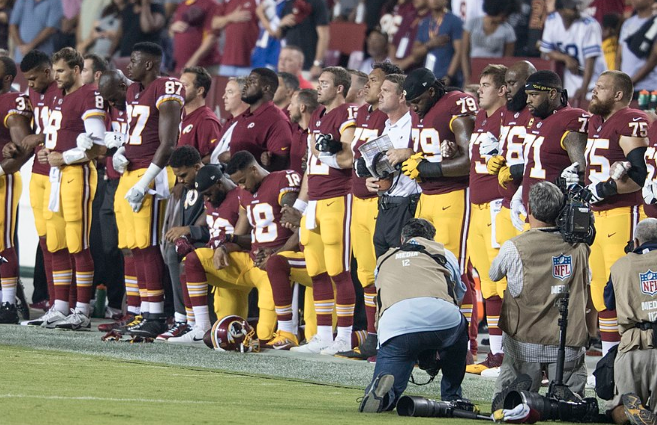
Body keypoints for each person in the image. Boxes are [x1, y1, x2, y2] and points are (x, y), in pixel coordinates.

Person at [490, 181, 593, 399]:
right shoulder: (581, 247)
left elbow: (493, 275)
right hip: (568, 343)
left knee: (510, 405)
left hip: (525, 344)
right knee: (572, 410)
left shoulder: (515, 246)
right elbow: (588, 281)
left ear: (529, 208)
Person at [31, 47, 107, 330]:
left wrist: (65, 156)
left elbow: (98, 144)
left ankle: (83, 310)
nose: (56, 76)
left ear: (76, 70)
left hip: (77, 174)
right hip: (55, 175)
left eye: (61, 71)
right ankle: (60, 306)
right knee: (56, 242)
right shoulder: (56, 96)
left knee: (78, 243)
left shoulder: (88, 94)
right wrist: (47, 152)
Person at [359, 218, 468, 413]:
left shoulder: (384, 259)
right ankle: (452, 395)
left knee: (398, 363)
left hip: (395, 323)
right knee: (458, 326)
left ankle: (384, 396)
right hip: (440, 317)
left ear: (402, 239)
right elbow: (458, 295)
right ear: (431, 239)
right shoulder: (443, 253)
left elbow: (382, 298)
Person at [575, 70, 649, 355]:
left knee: (623, 290)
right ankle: (609, 359)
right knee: (601, 292)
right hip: (597, 217)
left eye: (601, 88)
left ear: (618, 94)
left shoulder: (632, 119)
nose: (594, 92)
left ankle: (631, 355)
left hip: (622, 213)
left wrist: (605, 189)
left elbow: (640, 175)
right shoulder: (597, 121)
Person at [116, 42, 183, 338]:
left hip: (151, 175)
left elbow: (168, 143)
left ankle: (155, 315)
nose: (128, 66)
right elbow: (137, 132)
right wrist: (121, 150)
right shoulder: (133, 91)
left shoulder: (166, 87)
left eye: (133, 60)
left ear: (149, 64)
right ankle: (143, 310)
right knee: (133, 246)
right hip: (131, 171)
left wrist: (145, 182)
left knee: (148, 244)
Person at [290, 66, 358, 355]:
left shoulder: (348, 115)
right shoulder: (317, 115)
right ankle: (322, 334)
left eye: (325, 83)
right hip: (315, 200)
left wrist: (324, 153)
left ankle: (343, 335)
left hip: (338, 198)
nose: (318, 88)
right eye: (318, 83)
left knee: (338, 270)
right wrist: (301, 204)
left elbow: (348, 158)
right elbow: (310, 165)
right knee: (316, 270)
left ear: (339, 88)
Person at [339, 62, 402, 361]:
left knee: (384, 275)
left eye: (373, 81)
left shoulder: (389, 117)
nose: (365, 86)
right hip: (359, 201)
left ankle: (388, 338)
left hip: (380, 203)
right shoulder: (363, 112)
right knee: (365, 274)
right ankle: (373, 337)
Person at [463, 64, 508, 375]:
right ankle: (495, 354)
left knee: (504, 286)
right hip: (477, 208)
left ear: (503, 89)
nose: (480, 90)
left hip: (497, 207)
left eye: (487, 85)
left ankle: (509, 356)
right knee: (488, 285)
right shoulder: (482, 117)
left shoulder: (510, 119)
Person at [15, 50, 59, 318]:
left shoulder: (62, 91)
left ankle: (70, 302)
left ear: (47, 71)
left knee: (63, 241)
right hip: (38, 171)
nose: (29, 84)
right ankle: (51, 299)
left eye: (33, 79)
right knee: (44, 240)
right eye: (26, 80)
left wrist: (39, 137)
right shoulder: (31, 94)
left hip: (61, 171)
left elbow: (71, 127)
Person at [604, 217, 657, 425]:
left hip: (632, 346)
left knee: (619, 408)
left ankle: (630, 414)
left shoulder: (620, 265)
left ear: (635, 242)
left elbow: (608, 302)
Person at [97, 69, 137, 332]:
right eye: (107, 100)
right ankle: (118, 302)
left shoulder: (139, 99)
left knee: (134, 245)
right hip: (112, 181)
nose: (112, 104)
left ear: (124, 86)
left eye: (113, 98)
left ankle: (134, 306)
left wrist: (127, 143)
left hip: (136, 179)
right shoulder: (109, 106)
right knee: (111, 245)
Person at [160, 146, 211, 340]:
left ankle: (191, 321)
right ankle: (182, 319)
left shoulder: (212, 182)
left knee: (185, 257)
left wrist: (190, 231)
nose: (180, 180)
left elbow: (220, 221)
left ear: (198, 167)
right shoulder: (189, 187)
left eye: (183, 175)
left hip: (214, 242)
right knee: (174, 251)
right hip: (198, 240)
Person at [521, 70, 588, 215]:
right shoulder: (536, 119)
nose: (528, 101)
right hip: (532, 210)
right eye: (527, 95)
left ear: (552, 94)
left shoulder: (570, 118)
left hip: (555, 213)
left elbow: (582, 172)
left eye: (534, 94)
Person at [0, 56, 34, 323]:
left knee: (3, 241)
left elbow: (23, 146)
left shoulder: (13, 101)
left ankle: (8, 304)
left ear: (8, 78)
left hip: (3, 180)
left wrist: (2, 169)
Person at [539, 0, 606, 105]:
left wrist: (584, 88)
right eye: (571, 7)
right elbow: (547, 51)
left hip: (593, 80)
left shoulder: (590, 25)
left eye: (576, 6)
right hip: (571, 80)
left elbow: (590, 60)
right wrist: (565, 58)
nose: (576, 9)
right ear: (560, 11)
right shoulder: (552, 21)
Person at [225, 68, 292, 171]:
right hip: (237, 185)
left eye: (251, 81)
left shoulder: (277, 121)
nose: (245, 85)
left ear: (266, 88)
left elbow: (280, 166)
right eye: (247, 81)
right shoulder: (243, 116)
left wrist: (268, 162)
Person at [461, 0, 516, 85]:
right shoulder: (472, 23)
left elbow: (507, 59)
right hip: (473, 70)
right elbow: (464, 53)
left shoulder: (508, 30)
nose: (505, 18)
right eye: (503, 15)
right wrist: (467, 77)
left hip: (495, 75)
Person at [413, 0, 464, 87]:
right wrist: (430, 44)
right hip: (428, 78)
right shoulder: (424, 23)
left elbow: (459, 52)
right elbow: (415, 54)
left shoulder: (455, 21)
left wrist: (449, 76)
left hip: (448, 79)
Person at [178, 66, 222, 163]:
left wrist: (190, 170)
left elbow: (213, 156)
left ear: (199, 91)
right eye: (179, 85)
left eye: (184, 85)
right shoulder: (178, 115)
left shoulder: (206, 120)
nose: (179, 89)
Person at [616, 0, 657, 98]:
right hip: (626, 88)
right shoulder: (627, 23)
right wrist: (617, 80)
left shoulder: (655, 22)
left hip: (649, 87)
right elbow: (619, 56)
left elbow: (653, 59)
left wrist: (631, 81)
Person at [278, 0, 330, 78]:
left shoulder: (317, 2)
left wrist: (317, 63)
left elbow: (324, 36)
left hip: (308, 65)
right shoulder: (288, 3)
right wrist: (281, 24)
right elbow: (279, 35)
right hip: (288, 65)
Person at [169, 0, 220, 74]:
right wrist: (172, 28)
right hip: (180, 66)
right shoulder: (183, 4)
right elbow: (171, 33)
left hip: (203, 67)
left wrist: (192, 62)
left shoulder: (210, 4)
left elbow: (211, 38)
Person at [211, 0, 259, 77]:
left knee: (246, 88)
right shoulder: (228, 2)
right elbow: (214, 24)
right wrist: (230, 17)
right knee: (223, 88)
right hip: (227, 60)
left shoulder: (257, 2)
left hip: (249, 61)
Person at [210, 77, 248, 164]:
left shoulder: (248, 123)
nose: (224, 97)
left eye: (230, 92)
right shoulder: (230, 121)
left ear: (244, 95)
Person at [389, 0, 429, 72]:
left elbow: (424, 49)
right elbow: (394, 43)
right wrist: (394, 62)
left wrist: (402, 64)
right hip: (398, 67)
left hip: (417, 70)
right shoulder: (408, 16)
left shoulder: (431, 19)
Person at [287, 88, 320, 175]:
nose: (288, 108)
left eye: (292, 104)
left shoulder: (319, 134)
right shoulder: (292, 129)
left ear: (302, 107)